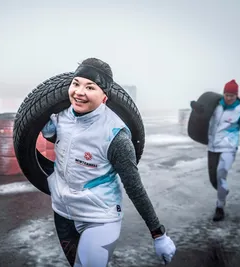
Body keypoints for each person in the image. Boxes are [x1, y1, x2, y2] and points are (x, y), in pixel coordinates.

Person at [41, 58, 176, 267]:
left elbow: (135, 188)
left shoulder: (116, 136)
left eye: (90, 87)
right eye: (76, 83)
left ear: (104, 96)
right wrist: (44, 129)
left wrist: (158, 234)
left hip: (99, 218)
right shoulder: (60, 118)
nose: (79, 92)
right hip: (63, 212)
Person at [191, 79, 240, 222]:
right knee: (214, 180)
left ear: (236, 95)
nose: (228, 98)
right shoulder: (216, 105)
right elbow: (203, 115)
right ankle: (223, 191)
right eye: (226, 94)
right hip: (213, 147)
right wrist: (196, 109)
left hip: (228, 148)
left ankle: (219, 207)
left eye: (231, 95)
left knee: (221, 175)